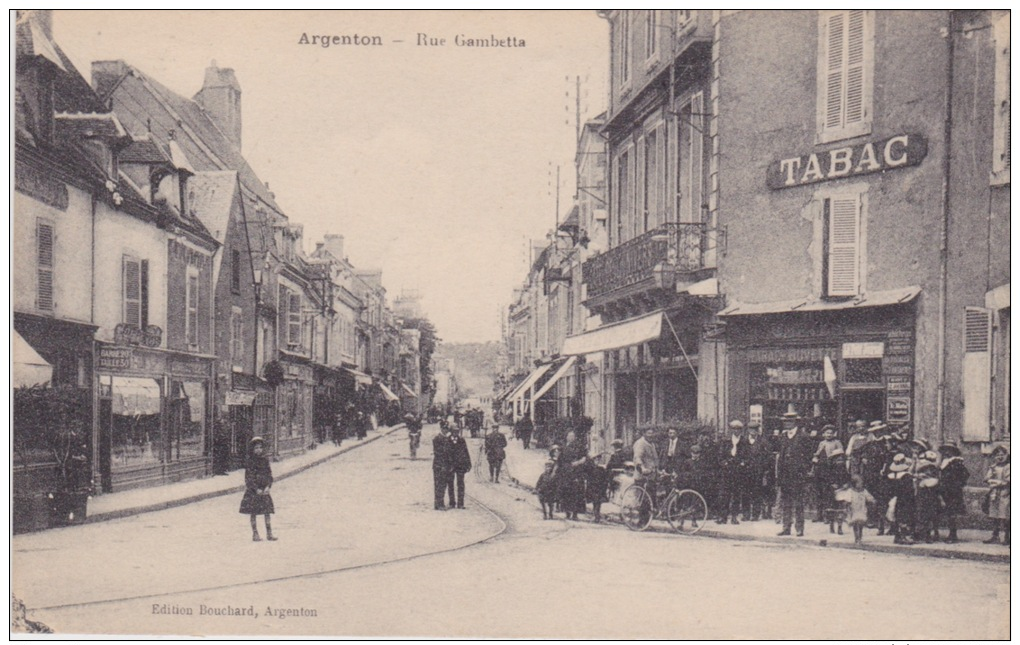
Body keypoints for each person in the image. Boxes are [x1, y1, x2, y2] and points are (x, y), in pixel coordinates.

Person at [776, 411, 813, 537]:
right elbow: (780, 456)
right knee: (786, 503)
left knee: (798, 503)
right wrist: (779, 475)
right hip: (785, 475)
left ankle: (799, 528)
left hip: (798, 475)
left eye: (790, 421)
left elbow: (809, 457)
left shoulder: (804, 436)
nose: (787, 424)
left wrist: (804, 471)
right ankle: (786, 527)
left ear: (796, 422)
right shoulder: (783, 436)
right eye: (785, 421)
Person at [239, 437, 276, 542]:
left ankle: (269, 533)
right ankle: (255, 533)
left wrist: (268, 486)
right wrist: (256, 489)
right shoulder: (250, 462)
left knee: (267, 512)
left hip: (264, 490)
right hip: (254, 492)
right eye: (256, 448)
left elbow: (269, 474)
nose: (258, 450)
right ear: (252, 449)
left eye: (260, 448)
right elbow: (248, 478)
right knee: (253, 512)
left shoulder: (265, 460)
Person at [717, 420, 751, 525]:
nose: (736, 431)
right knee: (725, 495)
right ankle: (723, 517)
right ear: (731, 430)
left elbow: (748, 457)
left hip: (738, 471)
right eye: (734, 429)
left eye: (738, 429)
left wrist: (743, 463)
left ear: (741, 430)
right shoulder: (726, 441)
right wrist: (724, 463)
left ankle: (734, 517)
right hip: (727, 471)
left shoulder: (745, 441)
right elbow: (720, 455)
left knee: (736, 495)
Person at [937, 443, 969, 543]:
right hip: (944, 490)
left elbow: (965, 475)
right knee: (946, 512)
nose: (947, 452)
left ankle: (953, 534)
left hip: (953, 491)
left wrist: (956, 485)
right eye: (945, 450)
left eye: (950, 450)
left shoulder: (956, 462)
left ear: (954, 451)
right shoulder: (944, 462)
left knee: (952, 512)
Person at [983, 445, 1010, 545]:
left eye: (1002, 455)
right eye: (997, 455)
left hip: (1005, 493)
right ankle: (995, 535)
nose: (1000, 457)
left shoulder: (1009, 466)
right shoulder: (993, 466)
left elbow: (1009, 480)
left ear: (1006, 455)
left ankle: (1007, 536)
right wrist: (990, 480)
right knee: (995, 516)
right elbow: (986, 478)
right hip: (994, 494)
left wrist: (1000, 483)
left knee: (1006, 516)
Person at [887, 452, 916, 545]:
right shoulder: (907, 476)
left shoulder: (891, 476)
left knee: (896, 517)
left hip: (894, 499)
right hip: (904, 499)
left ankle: (897, 536)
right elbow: (910, 490)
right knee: (904, 517)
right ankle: (904, 536)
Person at [839, 474, 875, 545]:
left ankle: (860, 538)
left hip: (861, 510)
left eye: (862, 483)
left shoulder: (864, 491)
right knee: (855, 524)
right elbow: (847, 500)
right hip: (854, 510)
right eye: (860, 483)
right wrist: (847, 505)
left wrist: (872, 500)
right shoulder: (850, 491)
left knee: (860, 524)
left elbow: (869, 497)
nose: (862, 484)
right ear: (854, 484)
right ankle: (857, 538)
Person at [559, 431, 588, 520]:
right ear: (566, 437)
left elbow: (584, 457)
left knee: (576, 493)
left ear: (575, 438)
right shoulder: (564, 447)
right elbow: (560, 460)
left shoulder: (579, 447)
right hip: (566, 473)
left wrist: (579, 462)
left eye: (572, 436)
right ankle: (567, 512)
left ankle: (575, 514)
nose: (571, 438)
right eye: (569, 436)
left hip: (576, 473)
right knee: (566, 493)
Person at [913, 451, 941, 543]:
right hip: (922, 496)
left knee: (930, 515)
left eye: (929, 469)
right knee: (921, 514)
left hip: (930, 497)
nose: (927, 471)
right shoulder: (920, 479)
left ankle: (929, 534)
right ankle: (922, 533)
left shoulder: (934, 480)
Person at [746, 421, 770, 521]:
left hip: (758, 470)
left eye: (755, 430)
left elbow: (768, 456)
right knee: (746, 492)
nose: (753, 432)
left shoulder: (763, 441)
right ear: (748, 430)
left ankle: (756, 514)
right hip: (746, 470)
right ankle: (746, 514)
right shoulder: (744, 441)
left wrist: (764, 468)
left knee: (756, 492)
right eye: (751, 430)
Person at [447, 427, 472, 509]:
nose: (456, 433)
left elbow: (466, 451)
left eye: (457, 432)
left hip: (460, 465)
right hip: (450, 465)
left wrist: (468, 463)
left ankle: (460, 503)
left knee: (460, 484)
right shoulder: (447, 440)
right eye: (454, 432)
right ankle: (452, 503)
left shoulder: (461, 440)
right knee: (450, 484)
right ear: (451, 432)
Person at [432, 424, 453, 510]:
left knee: (443, 484)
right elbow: (439, 453)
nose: (446, 431)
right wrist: (443, 465)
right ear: (441, 429)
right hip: (439, 465)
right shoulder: (437, 438)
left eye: (447, 429)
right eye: (444, 429)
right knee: (439, 484)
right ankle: (439, 504)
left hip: (444, 465)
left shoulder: (446, 438)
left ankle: (440, 503)